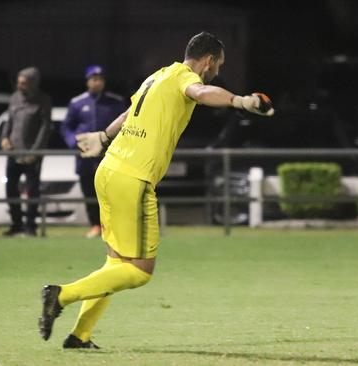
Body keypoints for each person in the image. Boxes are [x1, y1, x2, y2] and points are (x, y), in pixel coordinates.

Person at [38, 31, 273, 349]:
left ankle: (80, 336)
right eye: (219, 64)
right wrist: (239, 101)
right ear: (208, 61)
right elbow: (201, 92)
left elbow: (128, 113)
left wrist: (104, 138)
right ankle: (60, 295)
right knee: (139, 271)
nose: (219, 70)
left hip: (109, 170)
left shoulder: (158, 76)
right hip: (132, 179)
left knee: (116, 263)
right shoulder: (184, 79)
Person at [61, 65, 126, 238]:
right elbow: (66, 127)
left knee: (112, 191)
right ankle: (96, 225)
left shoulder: (115, 102)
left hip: (110, 155)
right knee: (89, 191)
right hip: (87, 156)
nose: (96, 82)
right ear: (87, 81)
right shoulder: (77, 103)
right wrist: (74, 142)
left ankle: (112, 226)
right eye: (93, 79)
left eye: (100, 79)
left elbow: (127, 124)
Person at [1, 67, 52, 237]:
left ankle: (31, 226)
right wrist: (4, 138)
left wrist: (35, 152)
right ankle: (16, 224)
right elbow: (9, 120)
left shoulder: (43, 100)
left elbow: (45, 128)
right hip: (14, 153)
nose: (19, 85)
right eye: (19, 82)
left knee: (32, 189)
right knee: (10, 188)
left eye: (23, 83)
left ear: (33, 83)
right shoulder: (14, 98)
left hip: (32, 155)